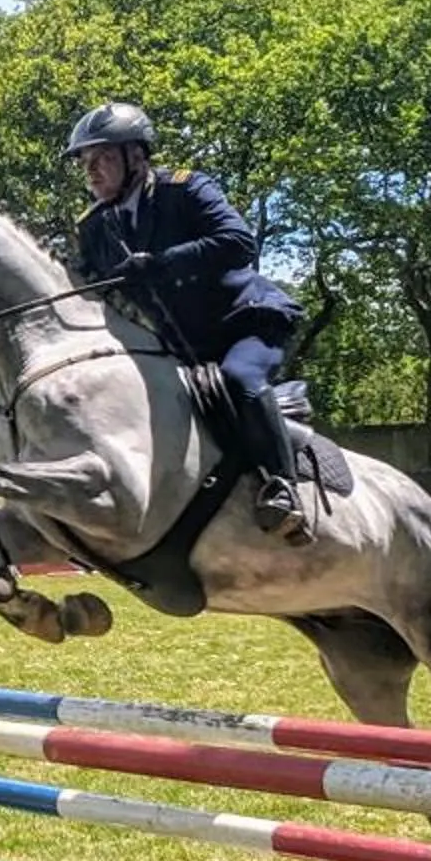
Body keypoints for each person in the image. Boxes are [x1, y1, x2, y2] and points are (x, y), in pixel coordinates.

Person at [66, 99, 308, 539]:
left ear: (135, 155)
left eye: (101, 157)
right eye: (85, 161)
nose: (91, 170)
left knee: (238, 377)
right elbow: (90, 289)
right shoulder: (95, 227)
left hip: (247, 323)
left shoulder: (186, 189)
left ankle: (284, 490)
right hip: (186, 347)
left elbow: (238, 242)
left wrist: (161, 263)